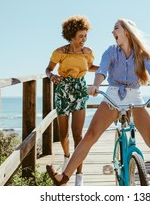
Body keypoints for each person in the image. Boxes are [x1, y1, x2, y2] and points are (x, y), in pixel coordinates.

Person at [46, 19, 150, 186]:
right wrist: (95, 85)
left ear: (127, 32)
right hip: (113, 96)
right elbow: (102, 69)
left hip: (134, 96)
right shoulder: (110, 51)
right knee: (90, 135)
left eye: (116, 28)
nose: (112, 32)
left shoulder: (141, 54)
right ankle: (63, 177)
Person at [45, 15, 98, 186]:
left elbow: (89, 68)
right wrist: (52, 75)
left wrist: (108, 67)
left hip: (80, 90)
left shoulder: (88, 53)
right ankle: (67, 157)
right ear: (72, 36)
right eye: (81, 36)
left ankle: (79, 176)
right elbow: (48, 69)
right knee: (63, 134)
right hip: (63, 90)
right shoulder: (59, 52)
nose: (84, 39)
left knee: (78, 135)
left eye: (85, 36)